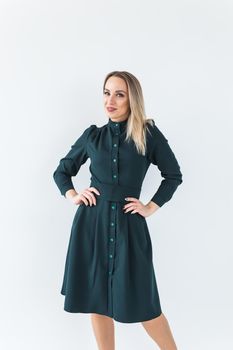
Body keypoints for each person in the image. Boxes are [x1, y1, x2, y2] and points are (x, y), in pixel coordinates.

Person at [53, 70, 183, 350]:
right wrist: (74, 195)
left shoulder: (147, 133)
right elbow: (62, 172)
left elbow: (173, 175)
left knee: (144, 300)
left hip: (129, 226)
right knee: (95, 298)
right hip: (91, 224)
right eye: (107, 92)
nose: (110, 100)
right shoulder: (92, 136)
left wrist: (150, 207)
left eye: (119, 94)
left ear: (131, 99)